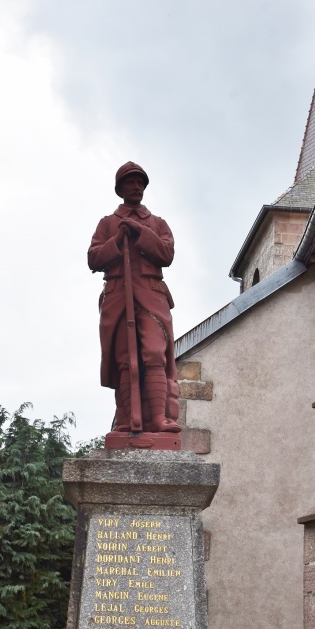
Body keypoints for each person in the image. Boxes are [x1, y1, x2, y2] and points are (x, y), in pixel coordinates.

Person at [88, 162, 180, 433]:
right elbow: (93, 258)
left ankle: (158, 419)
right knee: (124, 358)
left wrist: (141, 232)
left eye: (140, 182)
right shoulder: (107, 223)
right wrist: (118, 238)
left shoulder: (157, 223)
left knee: (154, 353)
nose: (136, 186)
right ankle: (127, 420)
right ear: (120, 189)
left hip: (151, 296)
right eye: (130, 182)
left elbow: (167, 254)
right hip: (118, 296)